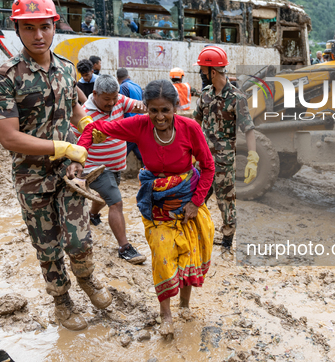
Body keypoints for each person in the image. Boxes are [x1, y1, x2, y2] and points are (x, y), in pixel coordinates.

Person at [0, 0, 112, 331]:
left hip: (70, 171)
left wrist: (84, 123)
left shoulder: (66, 69)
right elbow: (8, 137)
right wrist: (61, 147)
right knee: (47, 245)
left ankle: (88, 280)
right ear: (17, 28)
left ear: (55, 26)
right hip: (31, 177)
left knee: (78, 237)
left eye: (45, 26)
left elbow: (73, 104)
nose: (38, 35)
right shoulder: (3, 78)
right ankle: (62, 301)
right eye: (29, 28)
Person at [78, 79, 215, 338]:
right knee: (163, 256)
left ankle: (184, 304)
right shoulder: (139, 125)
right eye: (153, 110)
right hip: (157, 205)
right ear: (146, 109)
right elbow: (97, 128)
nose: (159, 117)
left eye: (165, 110)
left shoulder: (190, 128)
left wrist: (196, 203)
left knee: (189, 255)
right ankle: (166, 314)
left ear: (175, 108)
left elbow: (208, 166)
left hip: (188, 202)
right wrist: (78, 154)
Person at [73, 74, 146, 264]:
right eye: (107, 99)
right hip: (96, 168)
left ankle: (93, 214)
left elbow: (138, 106)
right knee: (116, 202)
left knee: (106, 198)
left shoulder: (119, 100)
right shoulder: (84, 114)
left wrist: (152, 107)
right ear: (95, 94)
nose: (113, 103)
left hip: (116, 165)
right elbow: (76, 143)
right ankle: (124, 248)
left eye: (115, 97)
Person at [193, 46, 259, 259]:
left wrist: (252, 158)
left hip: (223, 162)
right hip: (202, 162)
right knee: (196, 198)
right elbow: (195, 123)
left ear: (213, 71)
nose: (202, 74)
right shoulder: (205, 95)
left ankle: (227, 244)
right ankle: (198, 236)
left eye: (203, 70)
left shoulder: (236, 98)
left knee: (226, 202)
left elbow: (248, 129)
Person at [117, 68, 144, 163]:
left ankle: (116, 167)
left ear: (117, 78)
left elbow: (121, 106)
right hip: (139, 122)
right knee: (138, 149)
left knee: (123, 150)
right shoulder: (137, 86)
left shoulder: (123, 87)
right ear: (128, 76)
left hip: (130, 124)